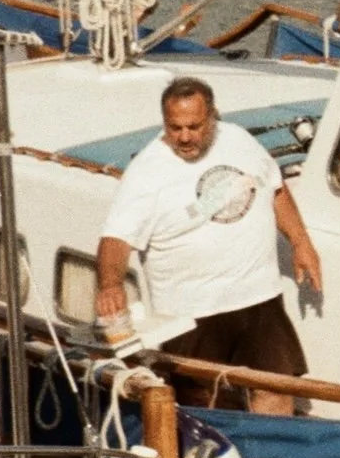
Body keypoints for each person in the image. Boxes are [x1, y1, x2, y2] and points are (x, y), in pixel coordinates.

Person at [95, 76, 322, 410]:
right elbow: (116, 238)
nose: (185, 137)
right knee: (201, 400)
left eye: (194, 126)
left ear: (213, 116)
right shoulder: (146, 172)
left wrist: (301, 242)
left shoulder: (240, 140)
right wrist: (110, 284)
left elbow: (275, 188)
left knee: (276, 386)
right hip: (192, 310)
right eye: (175, 128)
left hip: (258, 296)